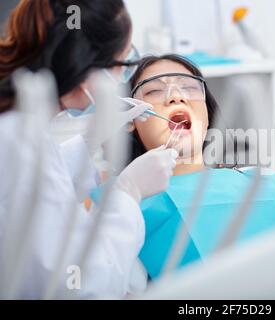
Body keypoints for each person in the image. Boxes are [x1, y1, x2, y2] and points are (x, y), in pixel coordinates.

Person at [0, 0, 178, 298]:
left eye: (188, 90)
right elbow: (81, 284)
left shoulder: (20, 121)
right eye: (122, 63)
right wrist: (129, 191)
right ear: (86, 69)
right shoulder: (19, 140)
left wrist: (89, 143)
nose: (174, 100)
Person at [121, 55, 275, 279]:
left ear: (207, 115)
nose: (176, 97)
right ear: (131, 120)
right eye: (154, 91)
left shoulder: (271, 184)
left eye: (189, 87)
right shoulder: (121, 210)